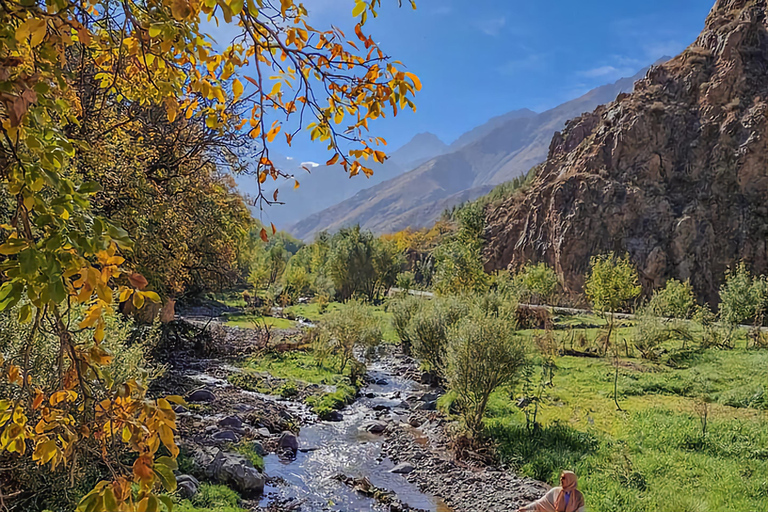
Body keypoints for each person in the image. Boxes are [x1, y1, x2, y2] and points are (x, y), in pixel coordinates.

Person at [518, 470, 585, 512]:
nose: (561, 480)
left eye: (564, 478)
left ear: (570, 480)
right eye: (561, 477)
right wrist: (526, 508)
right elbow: (540, 503)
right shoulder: (555, 491)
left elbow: (582, 510)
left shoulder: (578, 496)